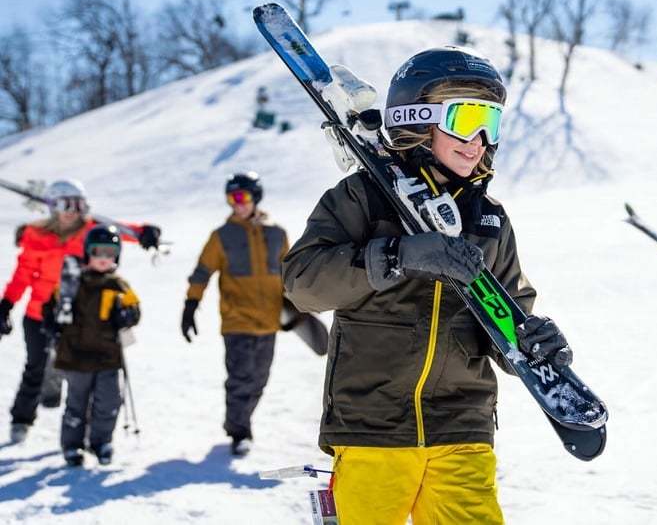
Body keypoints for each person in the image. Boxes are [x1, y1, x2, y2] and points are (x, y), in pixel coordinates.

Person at [282, 46, 573, 524]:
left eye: (491, 123)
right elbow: (303, 283)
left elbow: (507, 309)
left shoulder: (489, 219)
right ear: (417, 118)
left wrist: (531, 344)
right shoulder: (362, 199)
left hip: (464, 425)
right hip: (372, 427)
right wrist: (398, 256)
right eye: (465, 119)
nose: (478, 139)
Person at [0, 179, 161, 443]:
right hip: (40, 313)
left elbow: (118, 233)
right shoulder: (36, 235)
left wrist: (144, 232)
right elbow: (23, 275)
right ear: (53, 207)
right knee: (35, 366)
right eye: (65, 204)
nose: (72, 211)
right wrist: (6, 305)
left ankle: (80, 427)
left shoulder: (89, 231)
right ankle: (21, 419)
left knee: (81, 373)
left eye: (78, 204)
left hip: (78, 316)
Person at [181, 171, 289, 456]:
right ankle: (240, 431)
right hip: (236, 321)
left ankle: (238, 420)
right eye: (231, 198)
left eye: (242, 197)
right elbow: (202, 271)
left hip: (269, 321)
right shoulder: (222, 236)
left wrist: (299, 306)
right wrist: (190, 305)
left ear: (256, 196)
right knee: (240, 378)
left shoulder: (276, 233)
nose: (237, 204)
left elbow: (290, 274)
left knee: (260, 379)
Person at [44, 225, 140, 466]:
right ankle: (72, 445)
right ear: (88, 253)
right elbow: (51, 305)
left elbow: (135, 310)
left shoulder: (119, 285)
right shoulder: (73, 281)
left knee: (108, 401)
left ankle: (101, 441)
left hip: (108, 356)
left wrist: (126, 315)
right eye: (98, 252)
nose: (104, 259)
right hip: (76, 356)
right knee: (77, 403)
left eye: (110, 253)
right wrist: (53, 322)